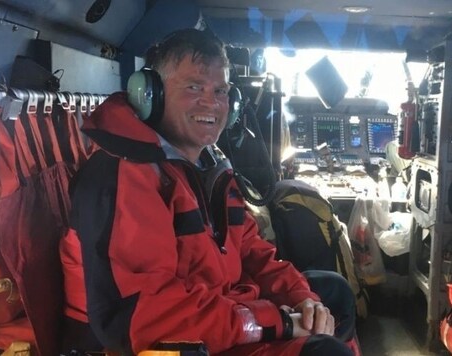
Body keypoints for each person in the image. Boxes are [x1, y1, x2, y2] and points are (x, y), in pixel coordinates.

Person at [59, 29, 357, 355]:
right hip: (163, 342)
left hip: (216, 316)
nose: (211, 103)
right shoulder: (124, 174)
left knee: (333, 295)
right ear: (150, 94)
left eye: (221, 90)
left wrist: (302, 299)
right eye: (193, 87)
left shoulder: (208, 166)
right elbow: (142, 316)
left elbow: (252, 252)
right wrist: (278, 322)